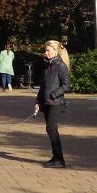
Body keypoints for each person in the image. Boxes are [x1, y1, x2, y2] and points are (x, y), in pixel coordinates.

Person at [35, 40, 70, 168]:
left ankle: (59, 159)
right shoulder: (48, 65)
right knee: (50, 129)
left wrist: (53, 95)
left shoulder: (61, 66)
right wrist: (38, 101)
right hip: (46, 102)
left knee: (51, 128)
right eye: (45, 50)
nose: (45, 53)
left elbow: (66, 86)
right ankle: (56, 157)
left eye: (48, 50)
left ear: (56, 51)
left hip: (56, 103)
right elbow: (43, 85)